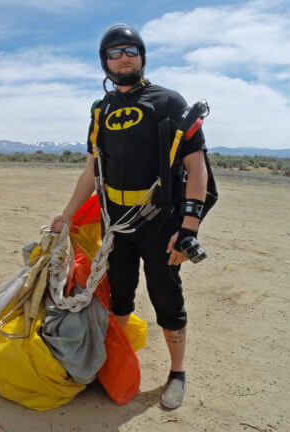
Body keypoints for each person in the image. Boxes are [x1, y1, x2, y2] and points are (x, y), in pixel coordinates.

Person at [50, 23, 209, 409]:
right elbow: (92, 170)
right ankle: (118, 364)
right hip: (115, 224)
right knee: (118, 296)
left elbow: (197, 167)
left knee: (166, 298)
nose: (124, 58)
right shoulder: (100, 110)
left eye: (131, 50)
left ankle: (177, 372)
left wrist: (188, 228)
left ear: (142, 56)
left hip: (161, 222)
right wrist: (67, 214)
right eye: (114, 53)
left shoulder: (169, 102)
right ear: (104, 62)